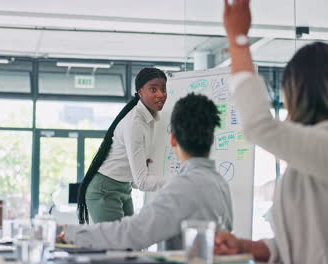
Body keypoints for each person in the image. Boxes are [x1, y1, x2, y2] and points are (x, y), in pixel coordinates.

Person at [214, 0, 328, 263]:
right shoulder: (307, 159)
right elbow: (301, 243)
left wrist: (238, 41)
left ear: (297, 93)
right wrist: (245, 246)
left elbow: (258, 126)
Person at [62, 94, 233, 250]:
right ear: (212, 140)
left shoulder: (183, 187)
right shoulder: (220, 183)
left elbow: (132, 233)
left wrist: (72, 234)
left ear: (173, 140)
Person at [77, 68, 168, 224]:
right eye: (153, 89)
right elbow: (142, 182)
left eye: (163, 89)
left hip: (123, 187)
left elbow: (135, 178)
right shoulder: (135, 123)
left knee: (129, 243)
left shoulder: (151, 120)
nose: (160, 94)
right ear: (140, 92)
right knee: (119, 244)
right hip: (104, 189)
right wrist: (178, 182)